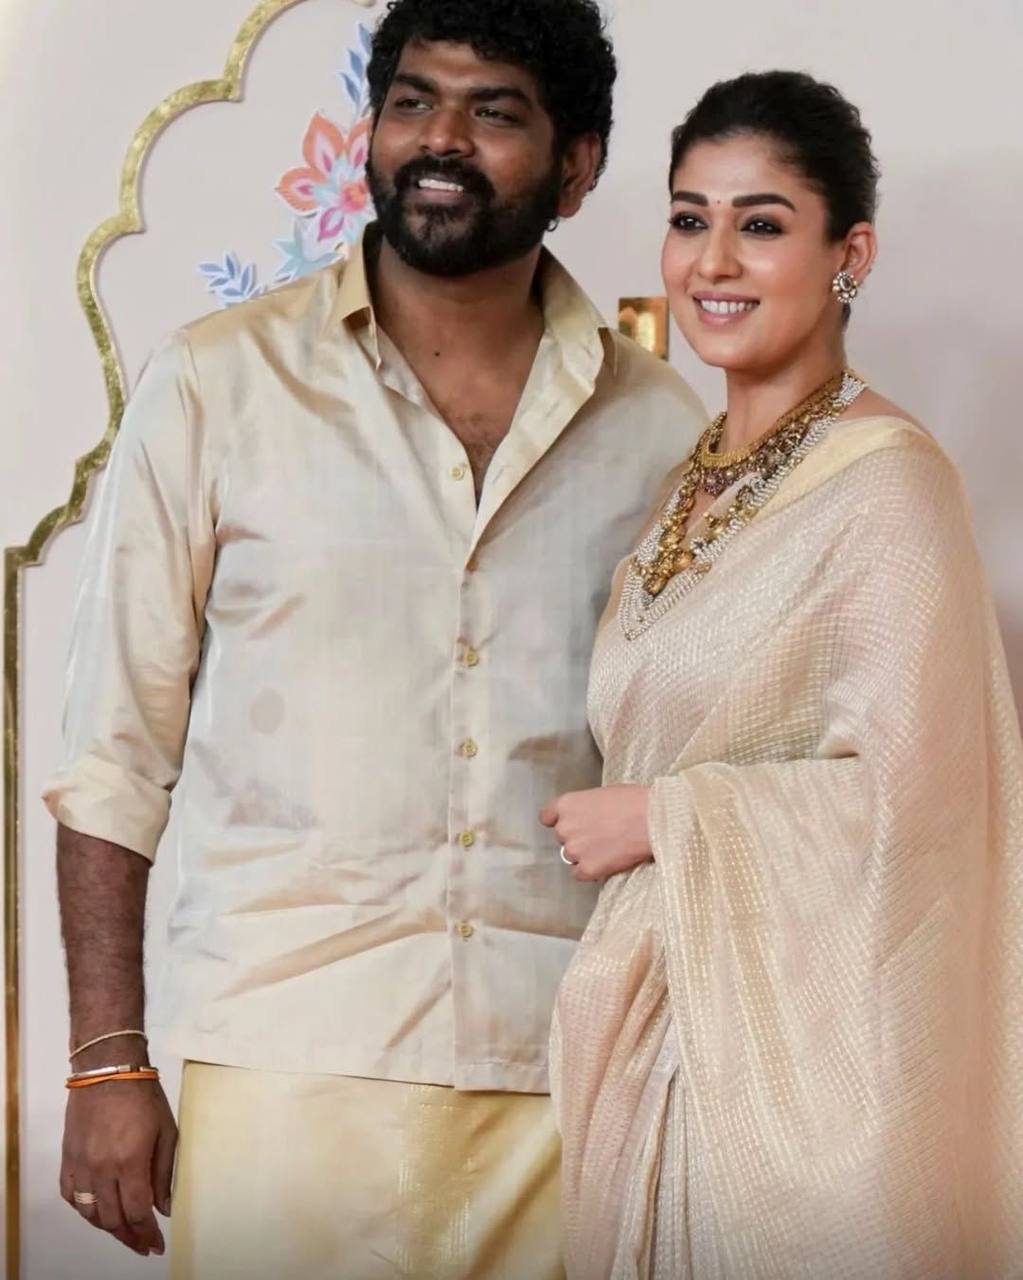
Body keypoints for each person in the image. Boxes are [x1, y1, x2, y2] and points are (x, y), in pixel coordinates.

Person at [43, 1, 707, 1275]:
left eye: (493, 110)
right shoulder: (221, 384)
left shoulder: (660, 430)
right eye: (412, 102)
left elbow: (692, 749)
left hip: (565, 1075)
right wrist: (106, 1057)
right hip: (287, 1065)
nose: (439, 139)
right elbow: (113, 748)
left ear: (578, 165)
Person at [543, 70, 1023, 1278]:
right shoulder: (686, 485)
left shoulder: (889, 485)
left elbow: (924, 808)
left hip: (793, 1109)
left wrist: (665, 817)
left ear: (848, 254)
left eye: (761, 224)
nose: (713, 260)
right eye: (689, 218)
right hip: (657, 1053)